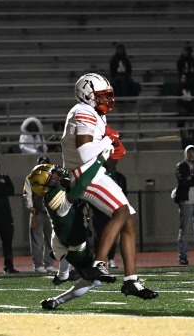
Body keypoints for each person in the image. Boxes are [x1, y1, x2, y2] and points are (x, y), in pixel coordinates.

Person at [61, 72, 153, 298]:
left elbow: (101, 155)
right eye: (101, 95)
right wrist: (107, 140)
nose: (107, 99)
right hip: (83, 173)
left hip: (94, 171)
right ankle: (100, 263)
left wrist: (112, 149)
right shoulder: (83, 111)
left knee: (130, 219)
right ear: (87, 95)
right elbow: (84, 153)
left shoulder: (94, 113)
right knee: (121, 212)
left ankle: (131, 281)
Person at [29, 152, 157, 310]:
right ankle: (59, 294)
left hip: (63, 239)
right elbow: (82, 185)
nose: (57, 173)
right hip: (73, 245)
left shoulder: (52, 191)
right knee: (93, 280)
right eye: (52, 175)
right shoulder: (57, 200)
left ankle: (62, 284)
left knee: (88, 275)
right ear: (47, 185)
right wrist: (98, 161)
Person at [23, 154, 56, 273]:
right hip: (37, 211)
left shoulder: (53, 177)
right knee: (37, 240)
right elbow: (27, 193)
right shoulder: (31, 177)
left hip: (50, 212)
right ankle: (38, 265)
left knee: (51, 239)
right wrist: (31, 207)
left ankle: (49, 263)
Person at [91, 168, 127, 269]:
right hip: (98, 210)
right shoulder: (97, 176)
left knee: (113, 234)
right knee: (99, 235)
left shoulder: (119, 177)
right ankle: (99, 259)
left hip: (113, 210)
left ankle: (111, 258)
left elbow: (124, 193)